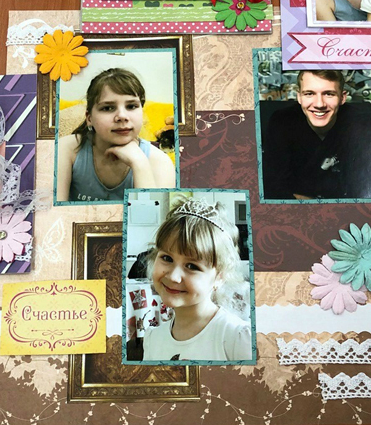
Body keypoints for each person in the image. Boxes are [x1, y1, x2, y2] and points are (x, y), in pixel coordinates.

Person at [142, 198, 252, 362]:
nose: (173, 277)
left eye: (192, 266)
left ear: (219, 277)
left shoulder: (237, 338)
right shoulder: (153, 339)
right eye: (167, 258)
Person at [262, 70, 371, 200]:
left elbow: (369, 188)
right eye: (309, 94)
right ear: (299, 97)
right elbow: (273, 187)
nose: (319, 104)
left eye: (329, 94)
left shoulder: (364, 124)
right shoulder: (281, 121)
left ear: (342, 98)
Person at [56, 68, 176, 202]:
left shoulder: (161, 162)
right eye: (108, 108)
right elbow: (50, 212)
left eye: (131, 106)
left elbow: (154, 215)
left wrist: (140, 164)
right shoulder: (65, 149)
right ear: (89, 118)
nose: (122, 116)